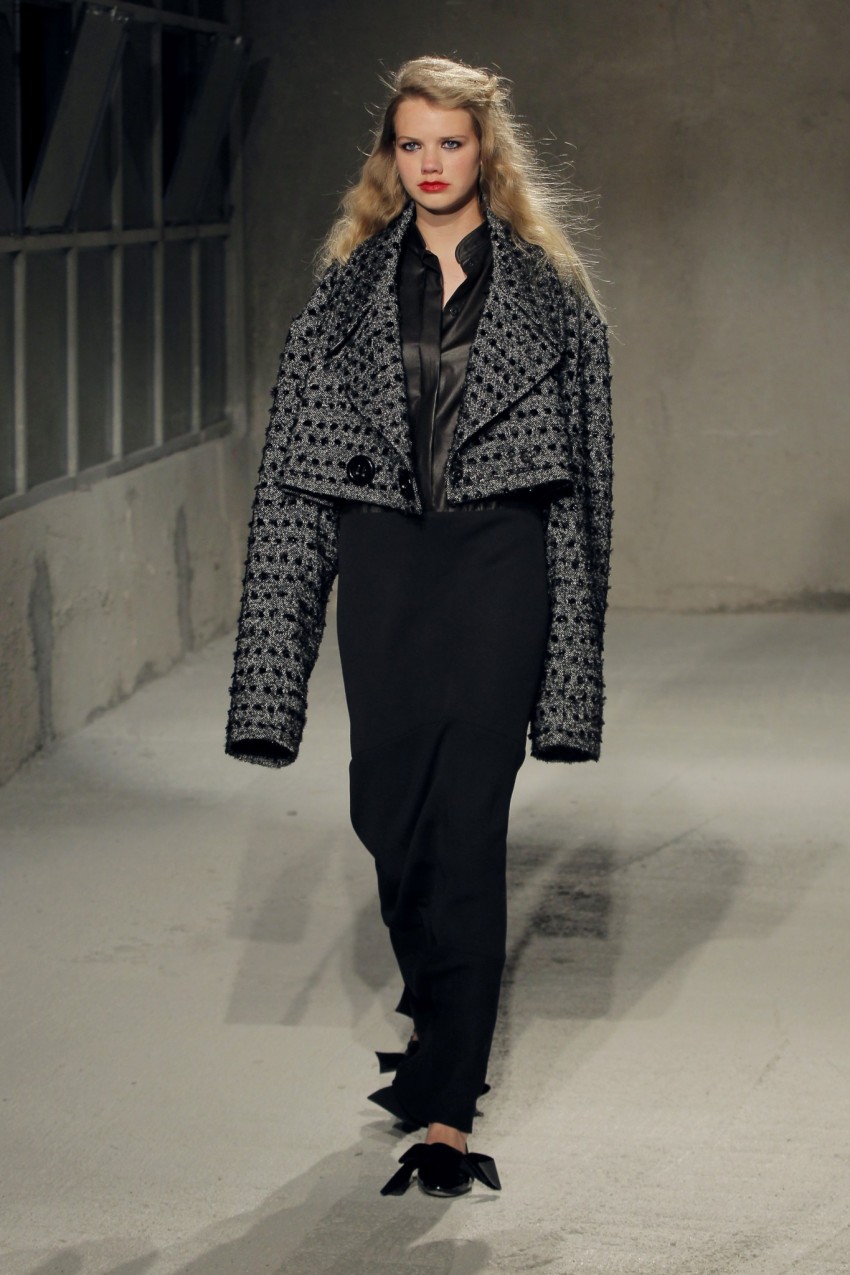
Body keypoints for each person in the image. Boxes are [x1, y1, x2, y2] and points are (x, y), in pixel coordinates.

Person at [225, 54, 613, 1199]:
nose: (431, 163)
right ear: (388, 158)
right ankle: (437, 1013)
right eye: (411, 144)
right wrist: (269, 680)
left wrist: (573, 675)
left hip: (499, 566)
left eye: (450, 142)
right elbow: (291, 488)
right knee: (388, 815)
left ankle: (446, 1111)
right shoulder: (342, 295)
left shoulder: (553, 295)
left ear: (485, 151)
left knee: (468, 827)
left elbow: (587, 491)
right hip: (385, 565)